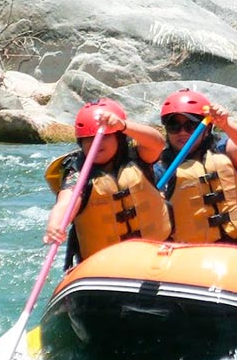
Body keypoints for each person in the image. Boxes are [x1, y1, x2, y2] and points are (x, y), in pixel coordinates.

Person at [44, 98, 172, 268]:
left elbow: (157, 142)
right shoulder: (78, 172)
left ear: (119, 138)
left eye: (104, 137)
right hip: (105, 265)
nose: (95, 143)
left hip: (157, 253)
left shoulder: (137, 157)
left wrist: (124, 125)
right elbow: (66, 201)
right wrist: (55, 224)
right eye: (87, 139)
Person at [155, 88, 237, 254]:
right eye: (174, 125)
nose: (182, 132)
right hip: (191, 252)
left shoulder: (223, 151)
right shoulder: (161, 168)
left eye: (191, 125)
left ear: (206, 128)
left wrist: (226, 125)